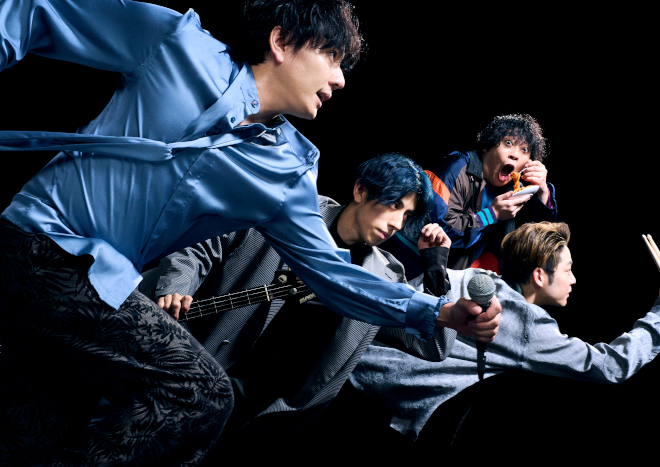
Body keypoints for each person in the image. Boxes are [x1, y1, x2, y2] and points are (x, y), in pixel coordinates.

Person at [0, 1, 500, 465]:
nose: (341, 78)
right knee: (198, 393)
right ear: (281, 42)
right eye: (331, 56)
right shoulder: (178, 44)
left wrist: (438, 312)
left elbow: (333, 275)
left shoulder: (285, 174)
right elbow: (35, 11)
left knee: (37, 433)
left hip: (89, 289)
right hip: (38, 243)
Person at [140, 153, 480, 463]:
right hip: (201, 369)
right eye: (394, 205)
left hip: (266, 419)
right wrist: (176, 286)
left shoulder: (386, 277)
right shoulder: (290, 211)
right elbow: (201, 246)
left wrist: (436, 270)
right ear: (361, 190)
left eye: (406, 216)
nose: (397, 224)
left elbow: (434, 346)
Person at [349, 222, 660, 453]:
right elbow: (610, 366)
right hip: (376, 416)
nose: (574, 279)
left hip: (346, 369)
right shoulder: (527, 323)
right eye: (568, 270)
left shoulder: (469, 276)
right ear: (540, 276)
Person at [382, 113, 558, 278]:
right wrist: (492, 214)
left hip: (455, 272)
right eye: (508, 143)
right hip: (407, 262)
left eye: (525, 149)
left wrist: (543, 191)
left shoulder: (516, 188)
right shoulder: (455, 168)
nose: (515, 155)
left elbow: (540, 243)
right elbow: (439, 233)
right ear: (486, 147)